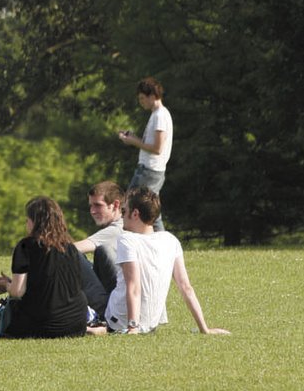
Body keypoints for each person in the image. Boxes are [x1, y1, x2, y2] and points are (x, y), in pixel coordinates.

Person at [99, 188, 229, 335]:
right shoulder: (170, 240)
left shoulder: (127, 239)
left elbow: (134, 286)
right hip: (150, 324)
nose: (122, 216)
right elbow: (186, 287)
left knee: (92, 259)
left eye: (124, 211)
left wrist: (133, 327)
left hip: (119, 321)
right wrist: (204, 329)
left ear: (135, 214)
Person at [0, 197, 88, 338]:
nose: (26, 224)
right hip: (76, 324)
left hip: (40, 325)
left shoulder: (26, 246)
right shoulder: (71, 248)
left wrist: (7, 285)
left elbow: (17, 292)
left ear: (34, 222)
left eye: (27, 220)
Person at [118, 76, 173, 230]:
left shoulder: (160, 116)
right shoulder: (157, 115)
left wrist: (133, 142)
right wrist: (134, 137)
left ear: (153, 96)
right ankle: (161, 246)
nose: (141, 101)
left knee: (130, 204)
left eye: (143, 98)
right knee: (152, 211)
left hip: (149, 170)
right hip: (151, 170)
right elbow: (150, 144)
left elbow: (157, 148)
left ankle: (130, 241)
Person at [73, 181, 125, 295]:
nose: (92, 211)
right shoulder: (124, 225)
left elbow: (73, 249)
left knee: (75, 256)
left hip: (118, 301)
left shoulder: (116, 229)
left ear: (115, 205)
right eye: (91, 205)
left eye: (98, 205)